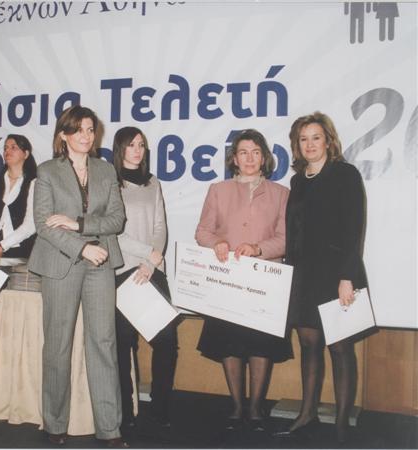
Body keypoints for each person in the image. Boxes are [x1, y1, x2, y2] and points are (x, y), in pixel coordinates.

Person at [27, 105, 128, 448]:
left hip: (101, 261)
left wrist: (78, 224)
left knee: (103, 343)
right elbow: (43, 224)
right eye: (78, 129)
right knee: (58, 345)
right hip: (61, 262)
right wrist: (82, 247)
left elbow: (116, 220)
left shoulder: (106, 169)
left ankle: (110, 429)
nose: (86, 135)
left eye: (90, 129)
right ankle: (55, 424)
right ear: (63, 134)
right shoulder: (47, 171)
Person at [274, 112, 367, 443]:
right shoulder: (298, 181)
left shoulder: (345, 174)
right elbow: (294, 232)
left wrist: (347, 277)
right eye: (303, 139)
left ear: (328, 140)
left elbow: (354, 229)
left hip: (336, 274)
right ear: (296, 145)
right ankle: (307, 413)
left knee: (340, 348)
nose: (310, 144)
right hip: (303, 275)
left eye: (316, 137)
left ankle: (341, 425)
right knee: (309, 344)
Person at [195, 129, 292, 432]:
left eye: (255, 152)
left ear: (264, 157)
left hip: (265, 281)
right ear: (234, 159)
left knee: (260, 345)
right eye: (243, 152)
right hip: (227, 280)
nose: (249, 158)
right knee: (231, 344)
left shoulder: (281, 193)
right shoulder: (218, 190)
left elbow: (286, 239)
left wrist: (259, 249)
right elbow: (202, 231)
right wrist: (217, 243)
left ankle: (256, 408)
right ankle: (237, 407)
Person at [111, 126, 178, 429]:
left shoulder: (153, 182)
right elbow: (113, 232)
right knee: (124, 344)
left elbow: (160, 226)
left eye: (141, 145)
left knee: (167, 342)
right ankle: (126, 410)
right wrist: (145, 254)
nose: (137, 150)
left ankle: (161, 408)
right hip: (122, 270)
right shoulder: (110, 182)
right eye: (131, 145)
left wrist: (151, 261)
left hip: (152, 270)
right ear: (120, 149)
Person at [0, 134, 37, 259]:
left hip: (25, 254)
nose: (7, 151)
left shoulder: (34, 183)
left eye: (13, 147)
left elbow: (30, 225)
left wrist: (2, 247)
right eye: (5, 148)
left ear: (26, 154)